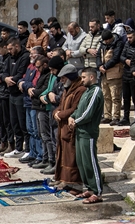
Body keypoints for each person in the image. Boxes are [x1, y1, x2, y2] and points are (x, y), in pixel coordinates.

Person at [69, 67, 105, 204]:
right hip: (80, 131)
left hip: (88, 132)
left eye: (84, 77)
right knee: (82, 162)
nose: (81, 80)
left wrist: (76, 122)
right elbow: (79, 109)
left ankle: (97, 192)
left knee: (91, 162)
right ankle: (89, 188)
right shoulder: (86, 92)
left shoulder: (96, 91)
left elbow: (88, 113)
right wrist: (72, 117)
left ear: (91, 77)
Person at [53, 64, 86, 192]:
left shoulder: (80, 90)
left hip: (71, 129)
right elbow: (61, 105)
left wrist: (59, 114)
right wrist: (56, 112)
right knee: (63, 155)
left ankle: (75, 184)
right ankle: (65, 181)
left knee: (72, 157)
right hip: (63, 128)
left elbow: (75, 109)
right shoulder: (68, 89)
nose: (61, 81)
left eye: (63, 78)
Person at [0, 38, 30, 158]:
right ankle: (18, 148)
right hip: (11, 93)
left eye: (11, 48)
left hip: (20, 94)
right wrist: (5, 78)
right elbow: (4, 71)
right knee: (14, 122)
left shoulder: (25, 56)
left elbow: (21, 73)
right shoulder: (10, 57)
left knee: (22, 123)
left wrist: (11, 80)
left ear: (17, 46)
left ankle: (26, 149)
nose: (9, 51)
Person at [36, 55, 65, 174]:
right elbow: (51, 91)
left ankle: (57, 165)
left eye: (53, 69)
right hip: (52, 111)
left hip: (58, 112)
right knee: (51, 139)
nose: (51, 72)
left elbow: (62, 96)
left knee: (57, 142)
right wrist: (48, 96)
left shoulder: (63, 78)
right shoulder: (55, 77)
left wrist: (53, 97)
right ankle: (51, 162)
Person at [96, 30, 124, 125]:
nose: (106, 42)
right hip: (104, 74)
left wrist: (105, 66)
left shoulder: (118, 43)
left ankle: (116, 116)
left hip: (114, 73)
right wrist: (99, 65)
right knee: (105, 96)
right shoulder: (103, 44)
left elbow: (116, 58)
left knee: (115, 97)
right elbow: (98, 55)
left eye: (107, 40)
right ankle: (107, 116)